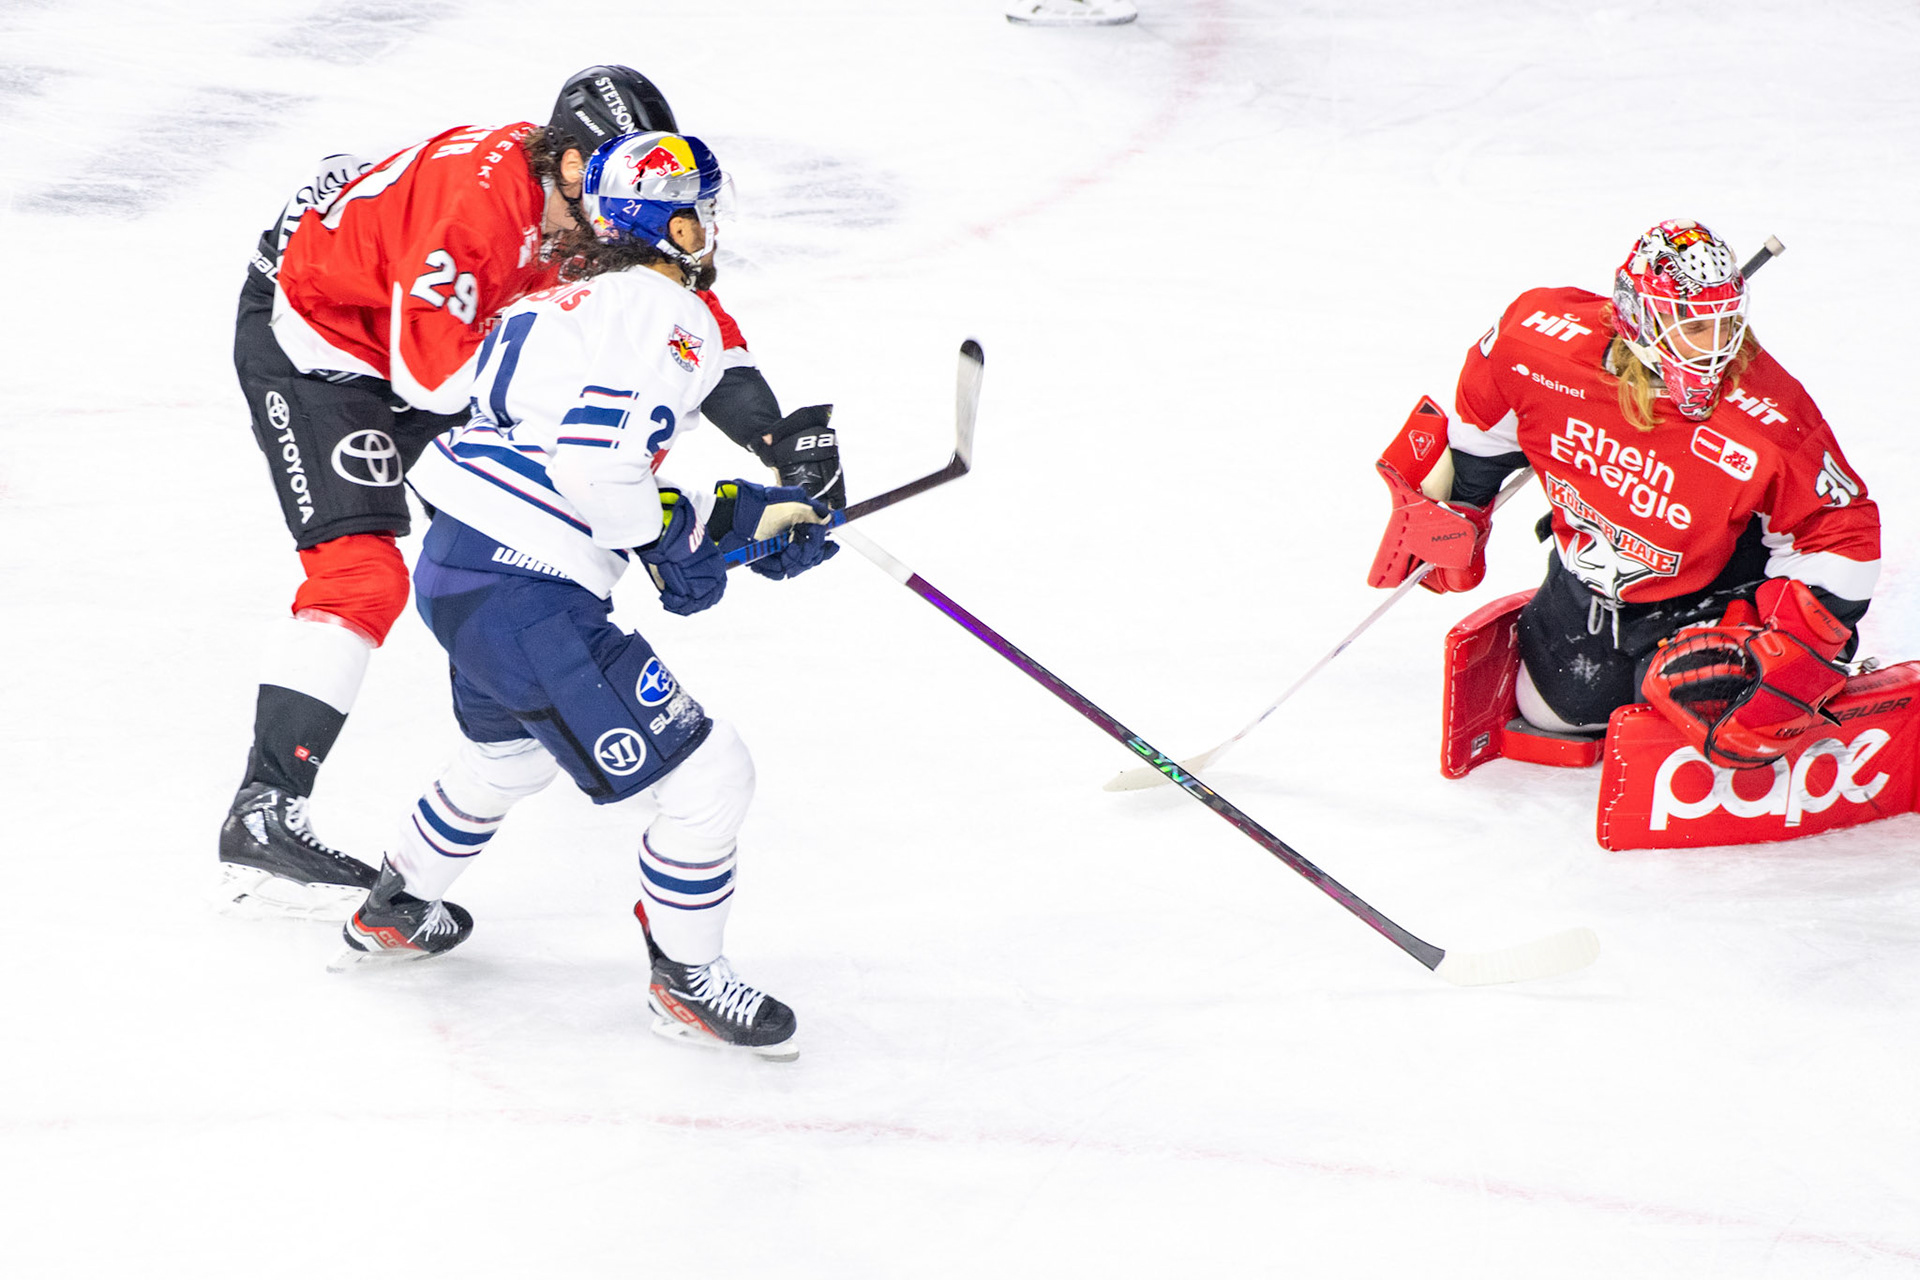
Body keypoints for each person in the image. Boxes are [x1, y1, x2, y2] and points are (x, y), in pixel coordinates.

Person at [218, 67, 845, 919]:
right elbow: (438, 382)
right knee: (369, 575)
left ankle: (509, 744)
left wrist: (774, 438)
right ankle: (265, 807)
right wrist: (665, 515)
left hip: (415, 348)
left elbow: (686, 319)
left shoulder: (588, 199)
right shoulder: (471, 206)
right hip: (319, 348)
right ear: (577, 163)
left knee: (518, 539)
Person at [332, 130, 833, 1062]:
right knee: (710, 779)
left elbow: (566, 455)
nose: (708, 226)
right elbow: (601, 472)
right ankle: (685, 983)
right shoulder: (665, 315)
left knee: (510, 758)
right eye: (697, 208)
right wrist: (676, 542)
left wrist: (724, 522)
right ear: (665, 221)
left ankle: (397, 904)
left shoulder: (559, 300)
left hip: (460, 568)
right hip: (528, 587)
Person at [1371, 219, 1880, 765]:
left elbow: (1840, 531)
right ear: (1637, 315)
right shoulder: (1536, 343)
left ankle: (1783, 672)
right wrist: (1458, 501)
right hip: (1589, 592)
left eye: (1724, 322)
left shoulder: (1769, 418)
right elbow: (1483, 418)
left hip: (1710, 601)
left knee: (1709, 712)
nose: (1714, 348)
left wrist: (1794, 649)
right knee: (1553, 710)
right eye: (1690, 324)